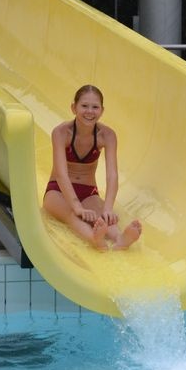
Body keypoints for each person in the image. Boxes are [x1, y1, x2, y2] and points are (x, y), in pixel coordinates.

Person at [43, 84, 142, 250]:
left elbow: (112, 175)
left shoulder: (107, 135)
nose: (89, 111)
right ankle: (95, 239)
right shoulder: (61, 133)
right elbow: (61, 174)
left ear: (102, 110)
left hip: (88, 191)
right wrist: (77, 207)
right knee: (72, 215)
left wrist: (108, 208)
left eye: (95, 107)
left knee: (102, 217)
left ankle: (119, 239)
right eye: (84, 106)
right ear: (74, 108)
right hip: (58, 190)